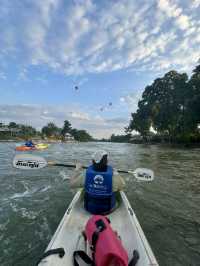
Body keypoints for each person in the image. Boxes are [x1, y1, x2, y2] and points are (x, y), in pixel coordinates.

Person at [70, 150, 125, 214]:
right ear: (107, 161)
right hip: (108, 210)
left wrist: (77, 170)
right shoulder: (114, 175)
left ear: (92, 161)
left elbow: (71, 184)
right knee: (116, 190)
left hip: (89, 209)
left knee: (83, 187)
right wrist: (116, 173)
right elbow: (122, 187)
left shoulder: (86, 174)